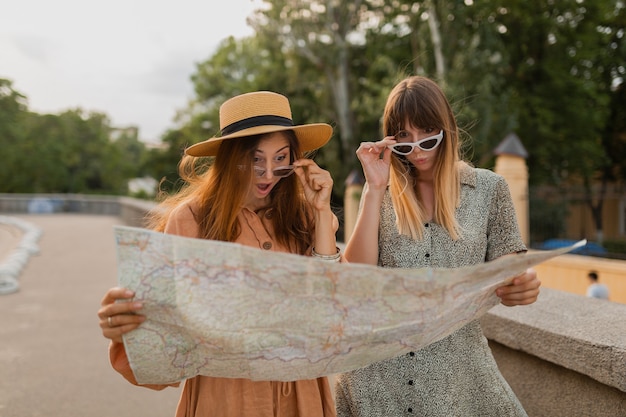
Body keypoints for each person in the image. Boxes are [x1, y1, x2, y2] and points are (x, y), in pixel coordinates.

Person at [97, 91, 340, 417]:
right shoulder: (190, 219)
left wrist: (323, 214)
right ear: (229, 159)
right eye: (255, 160)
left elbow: (338, 309)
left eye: (280, 159)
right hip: (224, 397)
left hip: (302, 395)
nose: (268, 174)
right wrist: (126, 325)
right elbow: (162, 334)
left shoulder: (306, 215)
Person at [334, 75, 541, 416]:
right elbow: (355, 278)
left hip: (459, 380)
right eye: (403, 137)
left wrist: (526, 281)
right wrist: (373, 187)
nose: (416, 149)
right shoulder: (381, 194)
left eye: (427, 133)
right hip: (377, 382)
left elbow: (511, 269)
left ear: (447, 128)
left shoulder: (490, 190)